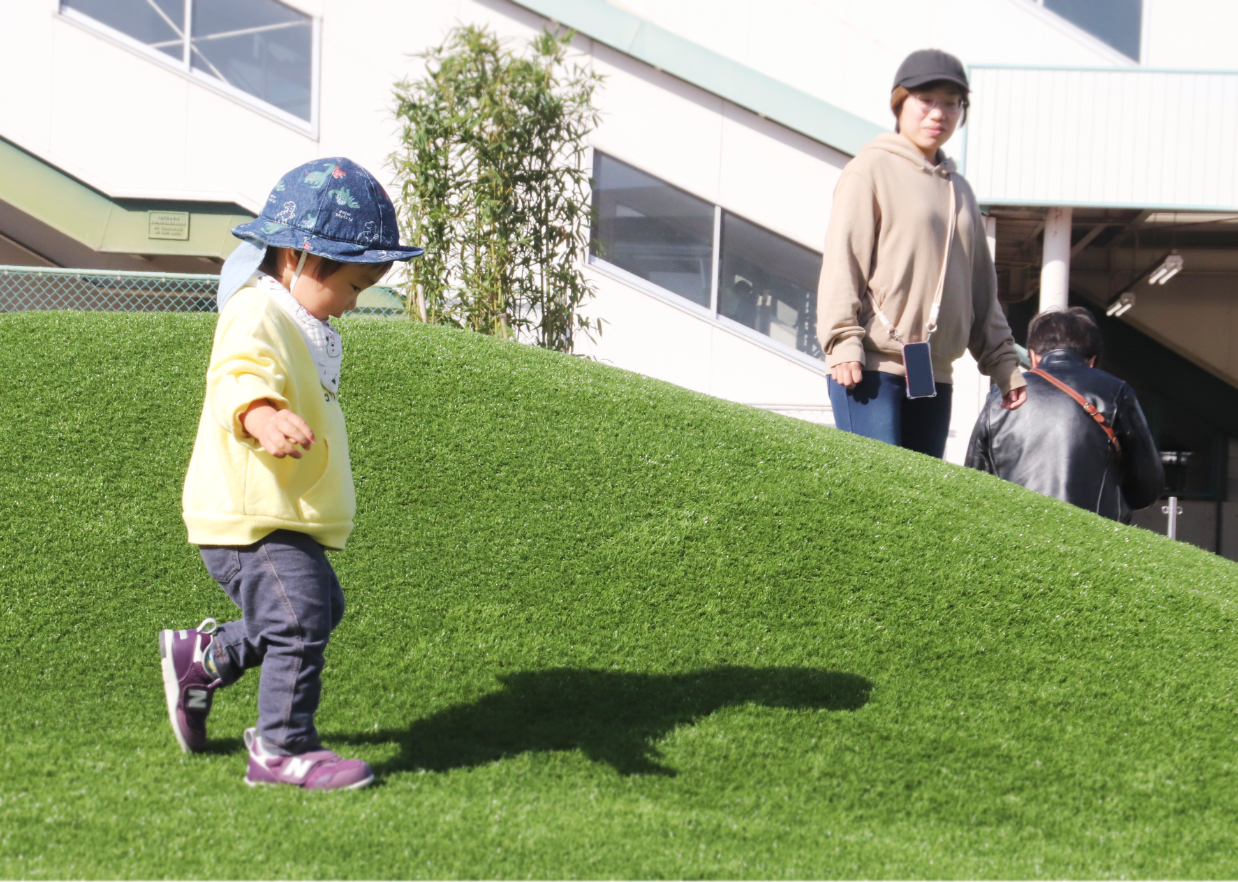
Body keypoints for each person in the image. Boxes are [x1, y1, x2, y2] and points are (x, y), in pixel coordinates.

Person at [158, 157, 422, 790]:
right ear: (301, 257)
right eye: (356, 285)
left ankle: (209, 657)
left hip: (283, 510)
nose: (356, 303)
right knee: (298, 618)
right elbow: (236, 373)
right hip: (251, 515)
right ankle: (281, 748)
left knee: (316, 609)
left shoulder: (304, 320)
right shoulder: (259, 312)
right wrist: (261, 413)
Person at [817, 49, 1026, 458]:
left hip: (934, 375)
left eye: (952, 103)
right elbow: (844, 262)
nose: (938, 113)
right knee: (878, 494)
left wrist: (1005, 365)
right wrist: (842, 341)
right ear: (900, 102)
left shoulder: (959, 190)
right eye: (926, 100)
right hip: (870, 369)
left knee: (919, 506)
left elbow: (981, 291)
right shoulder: (870, 168)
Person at [965, 307, 1164, 523]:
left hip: (1015, 531)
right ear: (1092, 359)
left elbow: (974, 479)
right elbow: (1148, 488)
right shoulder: (1116, 391)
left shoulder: (1001, 395)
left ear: (1033, 355)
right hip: (1094, 536)